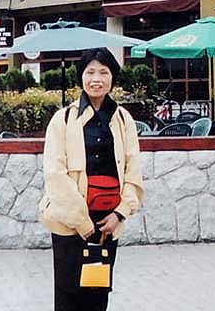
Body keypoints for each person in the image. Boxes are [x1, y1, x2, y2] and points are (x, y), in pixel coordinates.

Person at [39, 48, 145, 311]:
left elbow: (133, 171)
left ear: (113, 78)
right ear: (81, 77)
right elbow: (55, 174)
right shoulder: (63, 120)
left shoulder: (123, 120)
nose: (96, 79)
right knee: (68, 296)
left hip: (108, 224)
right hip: (69, 223)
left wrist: (120, 214)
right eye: (90, 72)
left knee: (97, 295)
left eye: (103, 72)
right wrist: (83, 223)